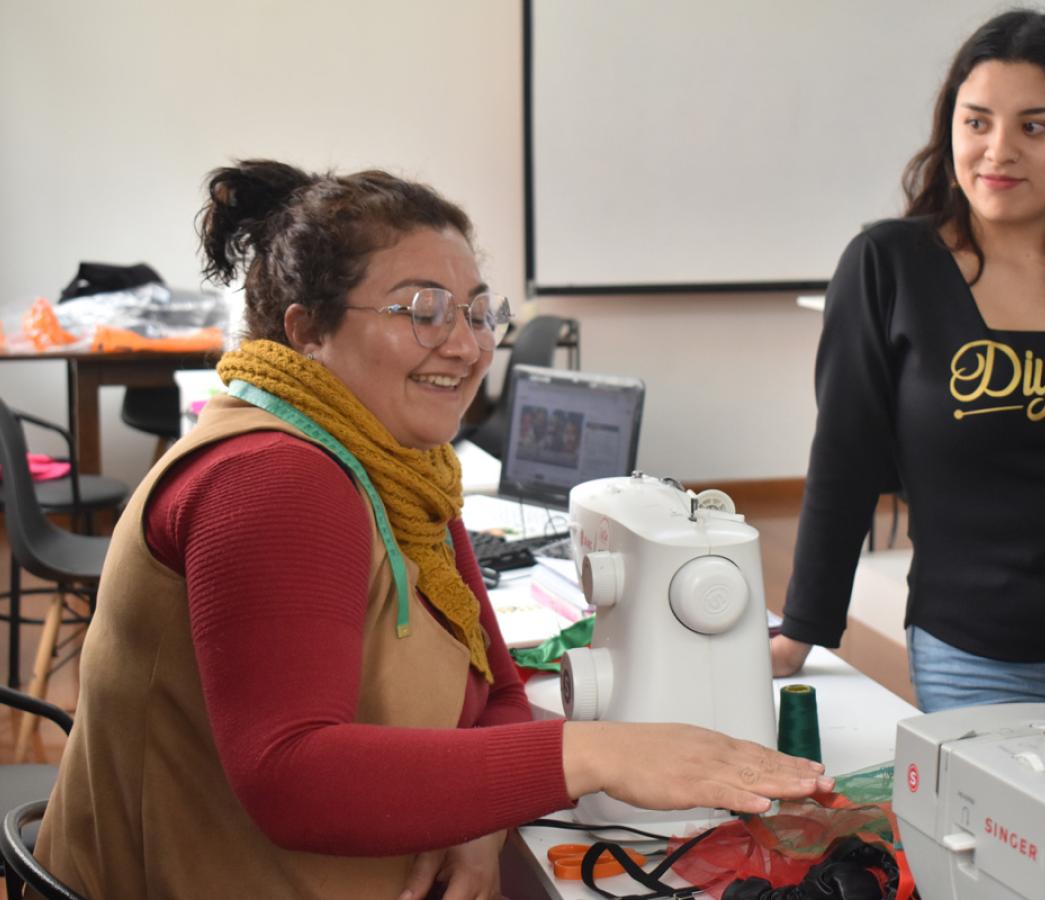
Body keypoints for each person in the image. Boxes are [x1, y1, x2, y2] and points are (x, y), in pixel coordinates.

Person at [35, 160, 831, 899]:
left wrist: (480, 814)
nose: (466, 344)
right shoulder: (273, 477)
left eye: (480, 312)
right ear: (307, 328)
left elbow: (496, 688)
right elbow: (291, 774)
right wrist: (602, 754)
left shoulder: (399, 467)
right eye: (423, 311)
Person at [770, 10, 1045, 749]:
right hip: (985, 658)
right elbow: (842, 462)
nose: (998, 151)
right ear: (951, 130)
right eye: (977, 122)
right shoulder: (889, 265)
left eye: (1035, 126)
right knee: (1002, 861)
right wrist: (803, 632)